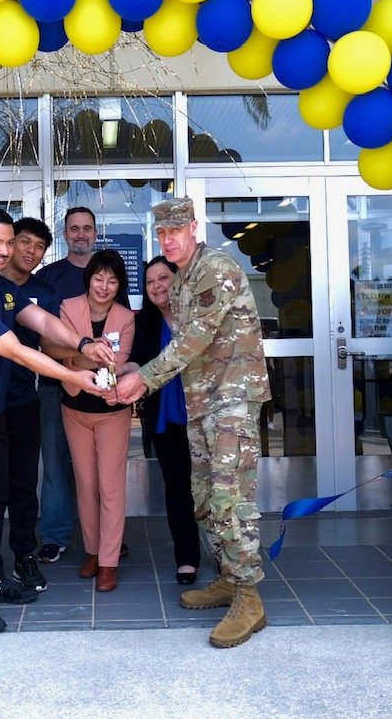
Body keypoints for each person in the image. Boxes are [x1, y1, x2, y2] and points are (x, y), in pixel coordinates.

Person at [0, 207, 114, 635]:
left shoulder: (1, 290)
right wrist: (73, 375)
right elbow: (14, 349)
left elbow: (42, 321)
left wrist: (84, 342)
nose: (4, 250)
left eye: (8, 243)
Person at [116, 197, 271, 649]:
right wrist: (135, 373)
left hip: (233, 401)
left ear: (194, 228)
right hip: (203, 403)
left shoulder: (214, 269)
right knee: (203, 495)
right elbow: (185, 348)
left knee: (229, 495)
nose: (169, 240)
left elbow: (193, 340)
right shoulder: (182, 279)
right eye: (162, 233)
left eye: (176, 231)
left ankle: (249, 597)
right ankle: (228, 576)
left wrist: (142, 381)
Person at [33, 206, 127, 562]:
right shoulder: (49, 277)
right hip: (55, 385)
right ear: (65, 233)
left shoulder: (109, 277)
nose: (81, 234)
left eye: (87, 228)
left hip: (102, 392)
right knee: (56, 464)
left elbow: (121, 340)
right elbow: (43, 335)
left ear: (95, 232)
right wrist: (76, 360)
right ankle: (56, 535)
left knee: (102, 474)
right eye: (74, 228)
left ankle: (107, 540)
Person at [45, 250, 135, 593]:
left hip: (111, 410)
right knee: (85, 485)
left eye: (112, 280)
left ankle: (109, 562)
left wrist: (78, 361)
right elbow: (52, 349)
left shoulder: (126, 318)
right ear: (89, 279)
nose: (104, 285)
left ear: (119, 285)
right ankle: (93, 552)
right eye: (98, 278)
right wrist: (82, 355)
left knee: (111, 487)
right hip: (74, 408)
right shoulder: (68, 307)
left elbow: (119, 362)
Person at [122, 256, 202, 585]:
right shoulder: (146, 323)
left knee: (213, 488)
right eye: (150, 281)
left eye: (163, 278)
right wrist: (113, 374)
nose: (156, 286)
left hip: (204, 416)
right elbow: (136, 363)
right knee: (178, 487)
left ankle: (230, 557)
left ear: (178, 281)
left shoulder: (198, 317)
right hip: (167, 419)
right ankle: (187, 558)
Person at [0, 217, 59, 593]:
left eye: (38, 246)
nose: (30, 251)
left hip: (22, 399)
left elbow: (50, 341)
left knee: (23, 485)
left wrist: (85, 354)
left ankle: (24, 557)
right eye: (25, 241)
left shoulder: (43, 292)